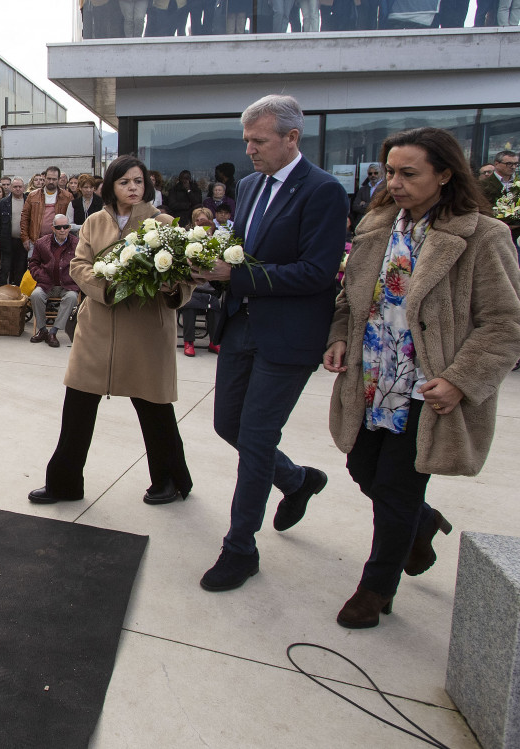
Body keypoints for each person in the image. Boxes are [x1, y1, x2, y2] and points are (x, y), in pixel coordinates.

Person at [320, 127, 520, 628]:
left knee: (396, 486)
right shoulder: (377, 225)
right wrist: (340, 334)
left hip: (427, 390)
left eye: (409, 173)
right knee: (364, 469)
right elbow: (351, 297)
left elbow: (505, 323)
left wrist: (461, 379)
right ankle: (423, 524)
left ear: (445, 174)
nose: (396, 182)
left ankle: (376, 589)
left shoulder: (481, 236)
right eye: (390, 171)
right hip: (371, 381)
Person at [191, 94, 349, 593]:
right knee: (227, 424)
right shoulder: (249, 185)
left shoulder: (323, 191)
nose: (250, 150)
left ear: (291, 138)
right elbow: (243, 250)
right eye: (246, 141)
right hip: (241, 327)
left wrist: (236, 274)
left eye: (259, 141)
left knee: (256, 440)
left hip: (288, 337)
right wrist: (210, 268)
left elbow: (318, 272)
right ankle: (298, 480)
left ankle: (241, 549)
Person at [29, 156, 195, 507]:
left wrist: (167, 286)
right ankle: (65, 483)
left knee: (155, 408)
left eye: (138, 181)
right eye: (124, 182)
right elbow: (79, 264)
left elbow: (183, 276)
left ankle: (171, 479)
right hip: (97, 328)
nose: (132, 187)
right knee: (77, 406)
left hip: (146, 331)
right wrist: (107, 288)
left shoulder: (162, 223)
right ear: (111, 186)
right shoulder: (94, 222)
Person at [28, 214, 80, 348]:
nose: (62, 230)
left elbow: (82, 264)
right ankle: (42, 330)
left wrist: (75, 279)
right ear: (53, 228)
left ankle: (53, 331)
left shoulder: (77, 244)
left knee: (72, 297)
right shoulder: (41, 243)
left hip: (68, 285)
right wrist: (40, 276)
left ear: (69, 227)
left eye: (66, 227)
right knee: (35, 295)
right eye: (59, 227)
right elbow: (33, 263)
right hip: (47, 284)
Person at [21, 166, 75, 260]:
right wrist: (25, 238)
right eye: (49, 178)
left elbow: (70, 220)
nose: (51, 181)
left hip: (58, 242)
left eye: (54, 179)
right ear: (44, 178)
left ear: (58, 180)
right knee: (34, 270)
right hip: (35, 241)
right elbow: (25, 217)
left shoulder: (67, 197)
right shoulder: (33, 195)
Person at [0, 178, 29, 286]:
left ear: (24, 188)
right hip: (7, 241)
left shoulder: (28, 201)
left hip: (23, 242)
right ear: (11, 188)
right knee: (4, 269)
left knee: (20, 269)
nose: (17, 189)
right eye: (15, 187)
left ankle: (18, 295)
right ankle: (2, 292)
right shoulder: (3, 203)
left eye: (20, 187)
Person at [350, 163, 382, 228]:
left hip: (377, 224)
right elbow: (355, 207)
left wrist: (364, 204)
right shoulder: (363, 189)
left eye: (375, 173)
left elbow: (381, 207)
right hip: (362, 224)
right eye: (370, 174)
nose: (373, 175)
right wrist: (372, 206)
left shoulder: (384, 189)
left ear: (380, 174)